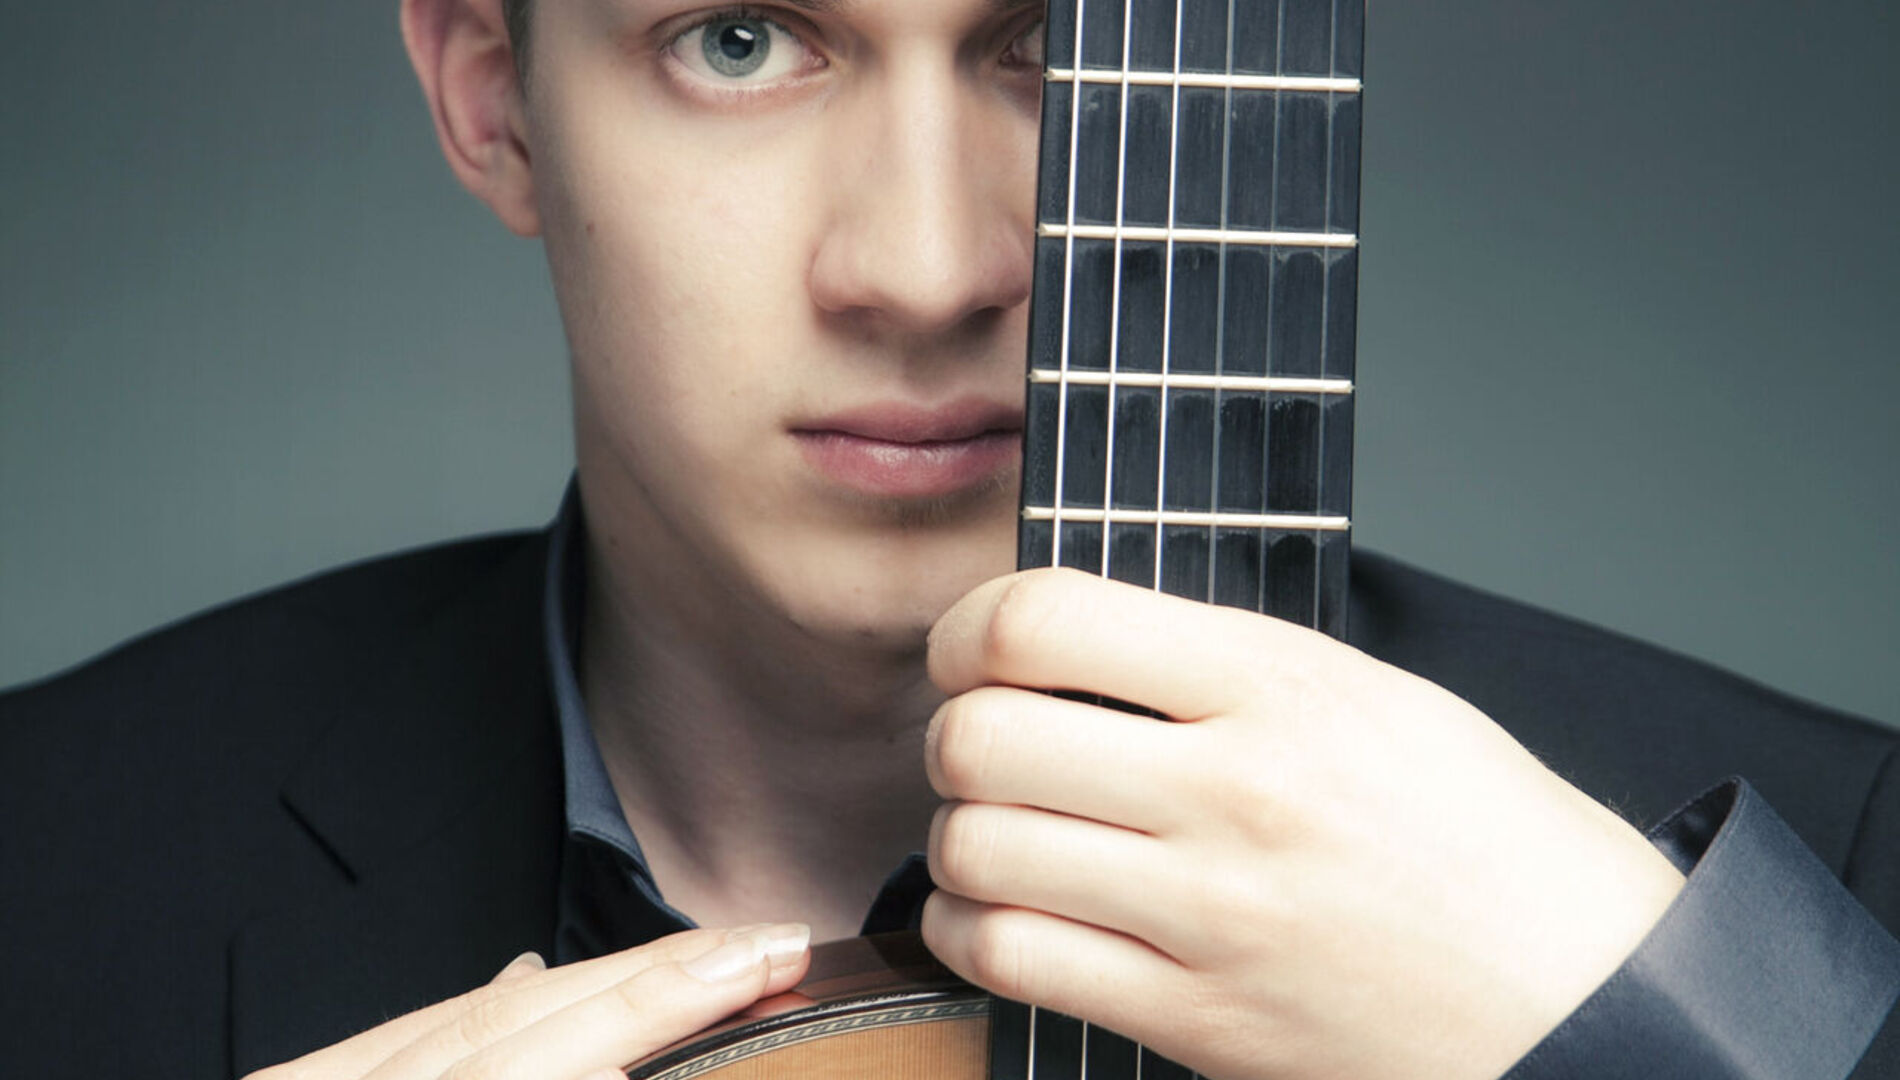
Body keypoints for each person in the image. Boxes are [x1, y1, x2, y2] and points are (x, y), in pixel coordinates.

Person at [3, 0, 1897, 1077]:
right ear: (492, 93)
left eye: (1051, 38)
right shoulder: (42, 873)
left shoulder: (1839, 873)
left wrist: (1657, 1041)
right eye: (738, 39)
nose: (924, 269)